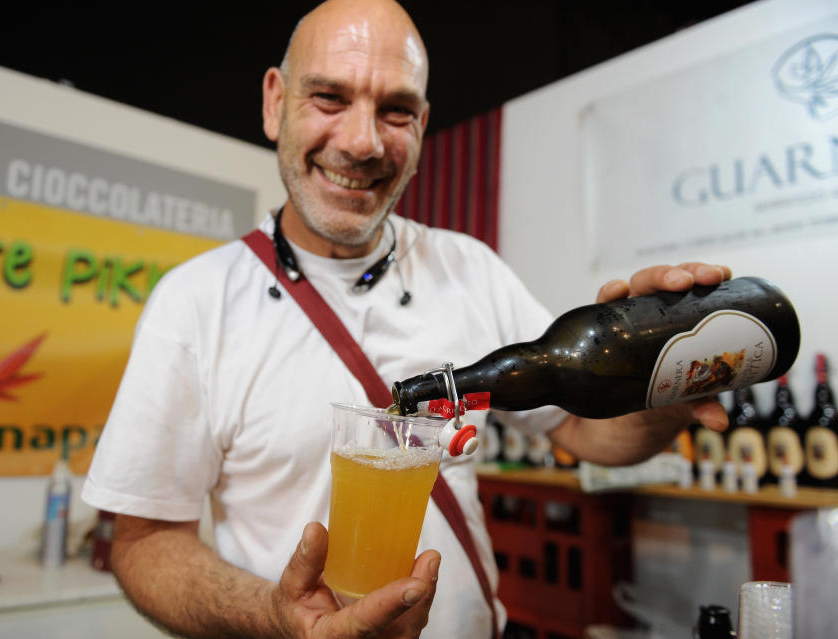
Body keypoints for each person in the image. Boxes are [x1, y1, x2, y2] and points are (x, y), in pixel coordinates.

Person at [80, 1, 732, 637]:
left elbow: (587, 432)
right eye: (329, 98)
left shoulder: (468, 268)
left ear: (422, 126)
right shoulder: (195, 301)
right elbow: (141, 543)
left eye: (394, 110)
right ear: (276, 101)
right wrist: (274, 618)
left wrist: (668, 385)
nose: (362, 142)